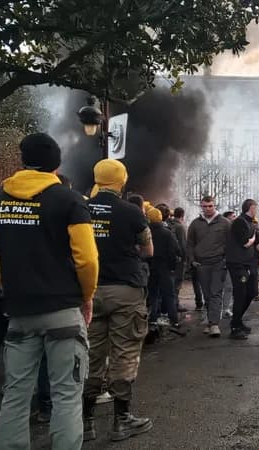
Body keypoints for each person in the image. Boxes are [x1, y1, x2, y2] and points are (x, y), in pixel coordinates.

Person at [0, 133, 99, 448]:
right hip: (63, 310)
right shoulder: (69, 200)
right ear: (57, 163)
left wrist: (12, 289)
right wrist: (86, 296)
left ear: (23, 160)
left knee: (16, 395)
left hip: (20, 313)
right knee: (66, 394)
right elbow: (87, 259)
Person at [83, 159, 154, 442]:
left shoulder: (80, 207)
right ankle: (121, 421)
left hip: (89, 291)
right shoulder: (131, 212)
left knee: (90, 354)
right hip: (125, 289)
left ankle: (86, 422)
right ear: (121, 181)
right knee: (124, 354)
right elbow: (148, 249)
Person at [187, 196, 231, 337]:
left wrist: (226, 260)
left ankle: (214, 324)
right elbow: (190, 244)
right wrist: (193, 260)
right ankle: (210, 320)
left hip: (218, 263)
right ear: (201, 206)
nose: (207, 209)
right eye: (205, 206)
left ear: (214, 205)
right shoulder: (195, 224)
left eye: (210, 206)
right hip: (202, 264)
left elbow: (231, 243)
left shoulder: (225, 223)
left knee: (216, 292)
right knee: (207, 294)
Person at [226, 200, 259, 340]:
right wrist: (252, 238)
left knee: (251, 292)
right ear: (251, 208)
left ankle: (238, 320)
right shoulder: (240, 222)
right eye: (255, 208)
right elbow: (246, 243)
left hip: (247, 263)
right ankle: (235, 327)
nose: (256, 211)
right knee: (240, 293)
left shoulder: (250, 223)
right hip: (237, 264)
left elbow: (258, 241)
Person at [147, 207, 182, 329]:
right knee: (169, 294)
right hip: (165, 268)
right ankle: (174, 320)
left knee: (153, 294)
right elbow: (175, 250)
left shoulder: (146, 232)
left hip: (150, 267)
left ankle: (152, 319)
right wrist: (172, 267)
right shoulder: (167, 233)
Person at [168, 207, 188, 311]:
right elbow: (183, 245)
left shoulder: (169, 224)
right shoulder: (180, 227)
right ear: (182, 215)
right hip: (179, 260)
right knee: (177, 283)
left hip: (170, 259)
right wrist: (185, 259)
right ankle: (175, 304)